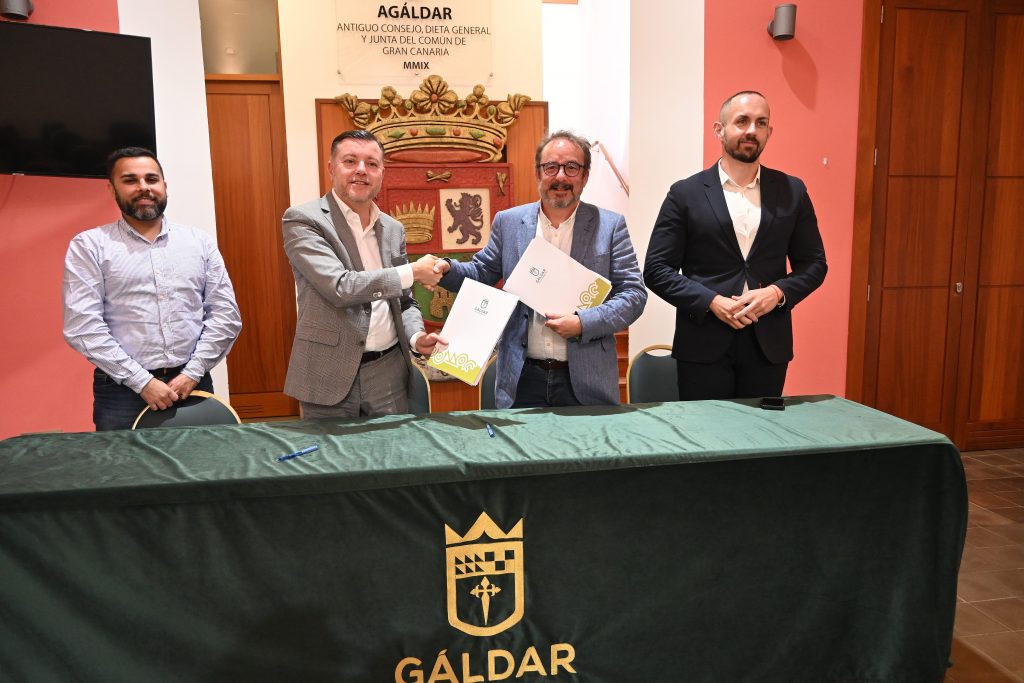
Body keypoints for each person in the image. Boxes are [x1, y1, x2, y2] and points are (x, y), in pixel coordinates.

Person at [433, 130, 647, 408]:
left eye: (572, 167)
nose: (561, 177)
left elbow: (633, 295)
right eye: (551, 167)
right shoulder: (508, 222)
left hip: (586, 379)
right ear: (538, 174)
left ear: (585, 176)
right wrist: (446, 269)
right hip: (522, 377)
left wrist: (584, 323)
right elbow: (481, 272)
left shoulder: (610, 226)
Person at [644, 90, 827, 400]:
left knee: (762, 430)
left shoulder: (792, 191)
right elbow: (656, 269)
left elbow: (814, 264)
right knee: (706, 430)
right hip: (702, 343)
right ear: (720, 130)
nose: (751, 130)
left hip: (768, 345)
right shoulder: (684, 193)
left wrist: (776, 293)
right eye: (742, 121)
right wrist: (712, 301)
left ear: (769, 132)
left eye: (761, 123)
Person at [63, 147, 242, 431]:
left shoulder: (199, 242)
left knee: (201, 458)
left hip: (193, 382)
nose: (143, 187)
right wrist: (142, 382)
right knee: (124, 462)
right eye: (130, 180)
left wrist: (193, 372)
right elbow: (83, 326)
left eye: (151, 179)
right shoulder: (90, 245)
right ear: (112, 189)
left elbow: (225, 315)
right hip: (121, 392)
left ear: (164, 186)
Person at [281, 129, 445, 419]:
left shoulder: (393, 229)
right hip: (327, 371)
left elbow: (404, 299)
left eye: (372, 163)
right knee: (328, 450)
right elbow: (340, 287)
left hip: (389, 372)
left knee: (391, 448)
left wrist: (416, 336)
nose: (361, 170)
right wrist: (413, 271)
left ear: (382, 173)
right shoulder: (303, 220)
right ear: (331, 168)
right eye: (350, 161)